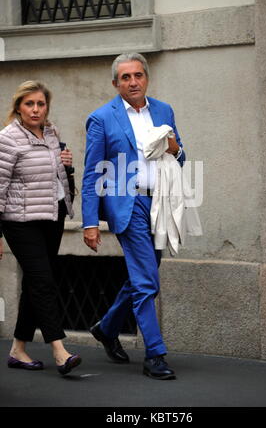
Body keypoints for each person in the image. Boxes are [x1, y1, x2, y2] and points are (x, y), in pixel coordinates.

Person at [82, 53, 185, 380]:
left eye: (138, 75)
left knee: (143, 275)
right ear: (116, 83)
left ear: (146, 79)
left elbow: (181, 156)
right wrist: (89, 221)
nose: (133, 82)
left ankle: (108, 327)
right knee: (146, 281)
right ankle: (155, 354)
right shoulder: (101, 118)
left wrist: (175, 149)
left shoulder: (164, 110)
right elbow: (91, 174)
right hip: (128, 205)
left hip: (160, 204)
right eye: (125, 77)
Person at [0, 81, 81, 376]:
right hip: (20, 222)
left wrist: (66, 166)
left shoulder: (51, 132)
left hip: (52, 215)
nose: (36, 109)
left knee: (36, 283)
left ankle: (18, 350)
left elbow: (56, 176)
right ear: (18, 107)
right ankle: (59, 350)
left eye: (41, 104)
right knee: (43, 282)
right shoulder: (8, 139)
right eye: (29, 104)